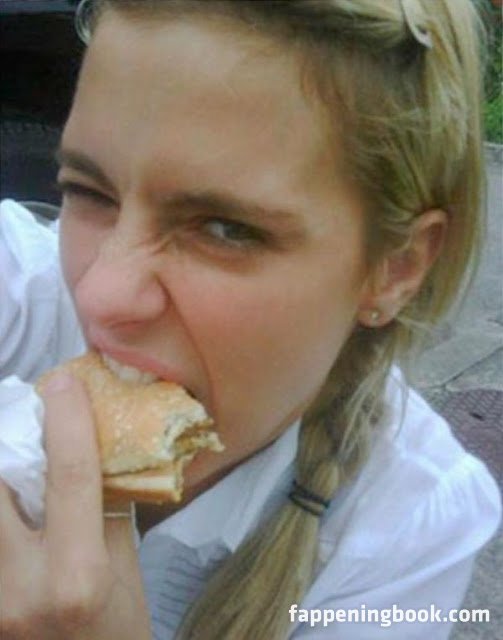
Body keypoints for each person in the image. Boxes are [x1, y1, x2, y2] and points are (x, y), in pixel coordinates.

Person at [0, 0, 500, 638]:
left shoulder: (414, 531)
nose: (99, 295)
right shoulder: (23, 298)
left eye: (224, 229)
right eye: (89, 192)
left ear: (396, 267)